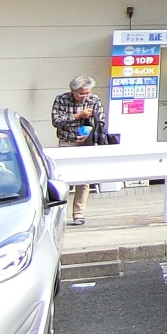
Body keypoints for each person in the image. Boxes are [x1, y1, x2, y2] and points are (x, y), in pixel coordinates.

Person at [50, 75, 104, 224]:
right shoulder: (61, 99)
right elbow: (56, 121)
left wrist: (89, 136)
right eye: (81, 93)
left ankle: (78, 214)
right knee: (62, 179)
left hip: (86, 143)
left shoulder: (94, 100)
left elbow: (101, 122)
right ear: (73, 90)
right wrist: (78, 115)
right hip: (67, 141)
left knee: (84, 180)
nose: (85, 97)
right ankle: (60, 213)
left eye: (88, 93)